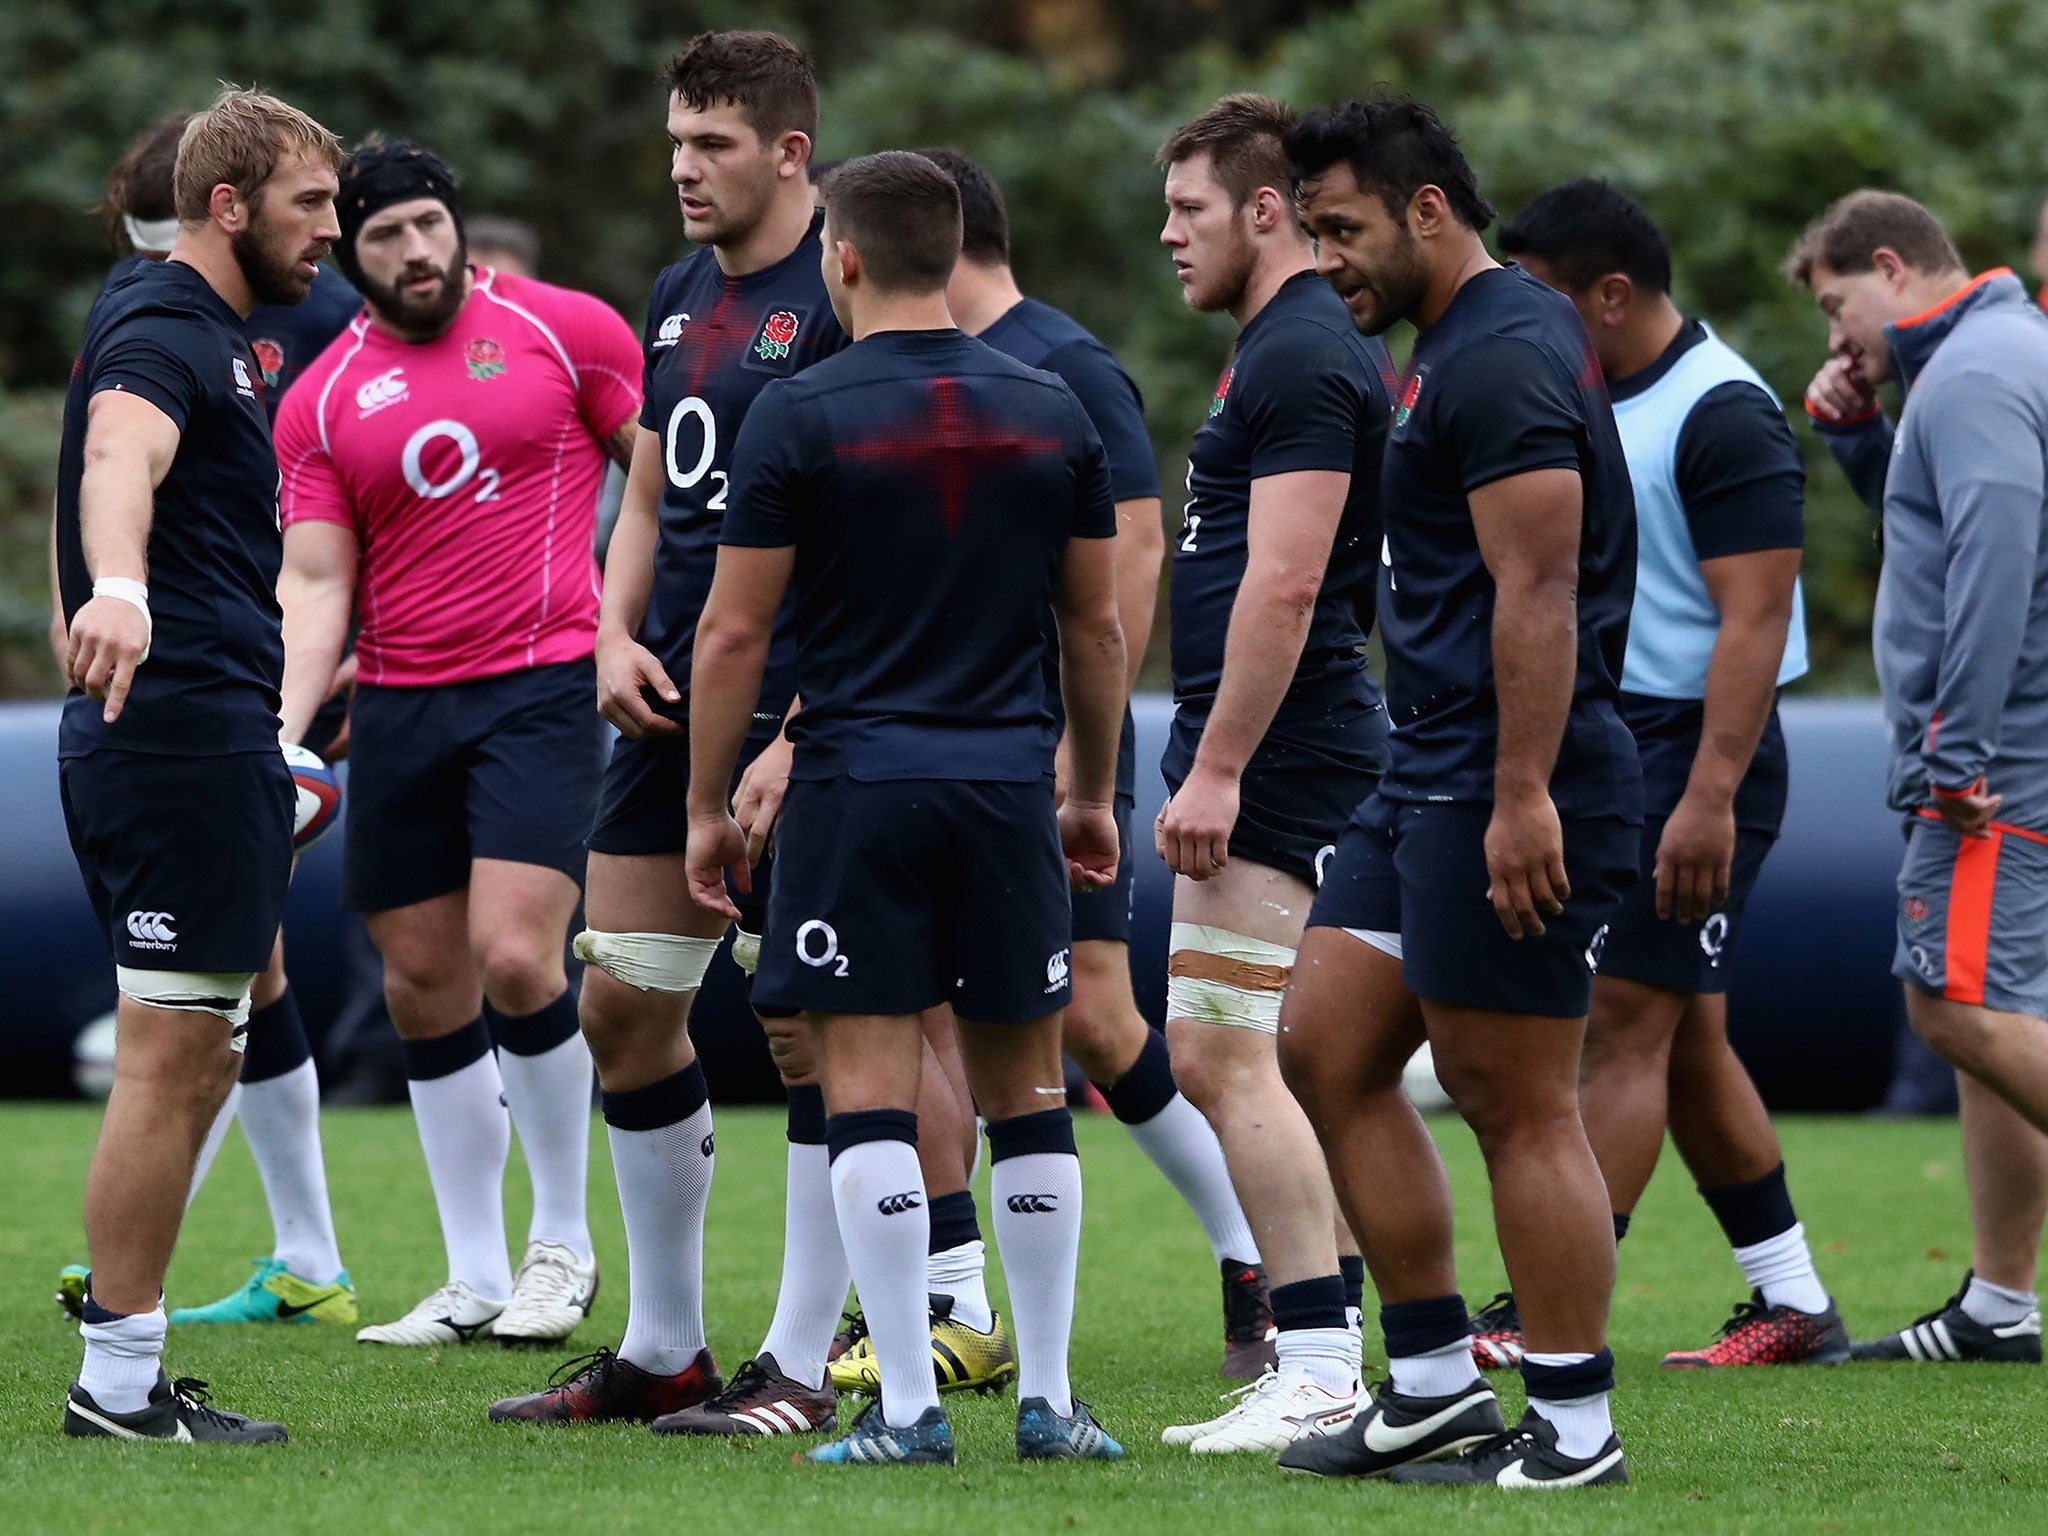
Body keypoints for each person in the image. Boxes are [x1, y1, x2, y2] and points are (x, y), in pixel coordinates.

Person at [685, 148, 1131, 1467]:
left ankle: (909, 1415)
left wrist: (709, 805)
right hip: (1005, 789)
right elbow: (1095, 627)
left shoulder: (801, 414)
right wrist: (1093, 791)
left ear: (844, 258)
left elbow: (730, 634)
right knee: (1027, 1092)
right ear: (953, 255)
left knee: (870, 1092)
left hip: (855, 791)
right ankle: (1048, 1402)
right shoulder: (1056, 409)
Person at [490, 30, 861, 1433]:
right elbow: (646, 492)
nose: (681, 171)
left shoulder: (848, 285)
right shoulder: (674, 292)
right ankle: (662, 1348)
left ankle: (803, 1362)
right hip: (668, 702)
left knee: (818, 1035)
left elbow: (889, 530)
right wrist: (607, 628)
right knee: (623, 1008)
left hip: (807, 715)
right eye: (672, 143)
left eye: (709, 145)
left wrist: (799, 725)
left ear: (788, 152)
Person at [1278, 97, 1641, 1489]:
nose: (1327, 262)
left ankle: (1576, 1425)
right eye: (1311, 234)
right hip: (1420, 765)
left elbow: (1538, 591)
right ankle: (1430, 1387)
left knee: (1511, 1095)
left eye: (1344, 229)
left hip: (1504, 774)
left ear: (1428, 210)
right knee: (1325, 1043)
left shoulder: (1497, 357)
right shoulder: (1454, 345)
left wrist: (1522, 795)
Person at [273, 137, 642, 1347]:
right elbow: (318, 580)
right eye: (385, 236)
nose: (415, 251)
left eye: (430, 224)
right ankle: (473, 1272)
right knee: (423, 981)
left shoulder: (564, 330)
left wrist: (634, 626)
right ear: (353, 253)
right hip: (398, 705)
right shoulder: (320, 397)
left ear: (456, 225)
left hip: (539, 687)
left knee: (520, 958)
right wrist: (286, 735)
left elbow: (662, 488)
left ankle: (561, 1247)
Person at [1481, 179, 1844, 1367]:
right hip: (1612, 744)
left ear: (1611, 293)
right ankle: (1793, 1304)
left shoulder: (1721, 409)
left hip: (1694, 757)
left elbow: (1754, 621)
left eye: (1537, 298)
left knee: (1620, 1028)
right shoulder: (1586, 394)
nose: (1516, 322)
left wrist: (1706, 799)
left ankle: (1546, 1307)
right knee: (1682, 1038)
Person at [53, 86, 342, 1442]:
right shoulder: (168, 321)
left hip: (210, 729)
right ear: (227, 206)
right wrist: (119, 583)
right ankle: (116, 1386)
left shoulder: (227, 335)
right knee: (173, 1059)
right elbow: (121, 446)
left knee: (207, 1049)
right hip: (170, 734)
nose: (329, 231)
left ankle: (132, 1364)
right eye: (311, 204)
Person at [1151, 94, 1394, 1453]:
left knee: (1218, 1053)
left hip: (1284, 747)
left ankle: (1317, 1365)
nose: (1170, 238)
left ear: (1264, 209)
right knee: (1273, 1057)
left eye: (1190, 210)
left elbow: (1292, 578)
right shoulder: (1277, 349)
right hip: (1276, 740)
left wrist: (1220, 766)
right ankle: (1347, 1353)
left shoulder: (1300, 353)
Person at [1785, 191, 2048, 1365]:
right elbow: (1944, 533)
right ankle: (1996, 1306)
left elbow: (1994, 560)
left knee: (1949, 1004)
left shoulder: (1978, 368)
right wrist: (1856, 438)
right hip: (2004, 749)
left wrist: (1958, 748)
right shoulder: (1981, 361)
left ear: (1889, 269)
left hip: (1996, 766)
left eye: (1839, 308)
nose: (1837, 339)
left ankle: (1998, 1301)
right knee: (1984, 1012)